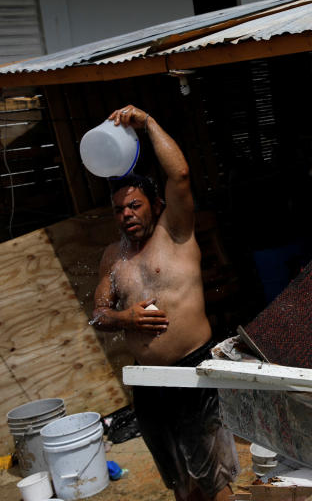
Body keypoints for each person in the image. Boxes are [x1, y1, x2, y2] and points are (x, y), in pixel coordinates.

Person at [92, 105, 238, 501]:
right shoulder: (114, 256)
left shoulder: (175, 232)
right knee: (179, 481)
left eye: (134, 205)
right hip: (148, 382)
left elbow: (180, 174)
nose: (126, 215)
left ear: (155, 206)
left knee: (215, 481)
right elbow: (98, 316)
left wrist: (150, 124)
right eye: (119, 210)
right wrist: (125, 317)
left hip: (193, 371)